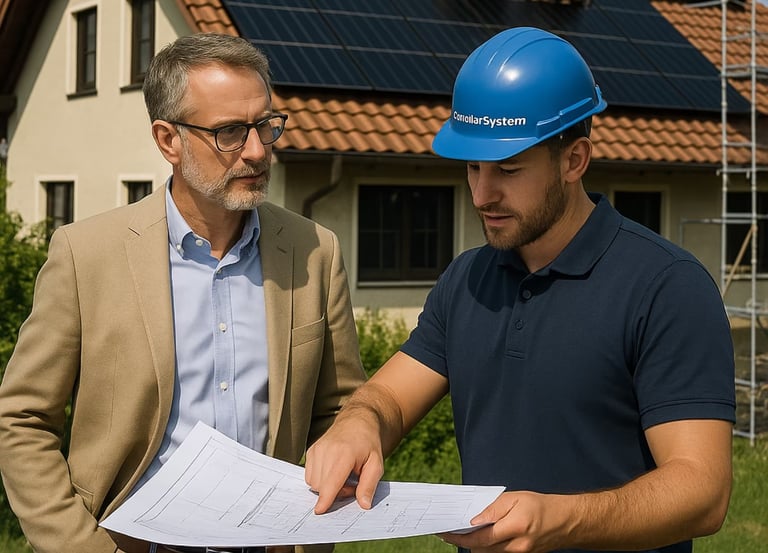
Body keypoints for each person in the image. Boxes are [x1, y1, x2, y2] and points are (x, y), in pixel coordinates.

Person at [304, 27, 736, 553]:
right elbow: (389, 397)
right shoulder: (467, 279)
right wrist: (357, 423)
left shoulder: (667, 286)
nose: (483, 194)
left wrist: (561, 519)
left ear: (575, 160)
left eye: (508, 169)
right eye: (472, 168)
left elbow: (703, 491)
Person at [0, 33, 365, 553]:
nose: (258, 150)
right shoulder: (86, 255)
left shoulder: (314, 250)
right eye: (231, 132)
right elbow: (22, 418)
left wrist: (314, 528)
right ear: (168, 139)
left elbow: (342, 410)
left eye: (266, 125)